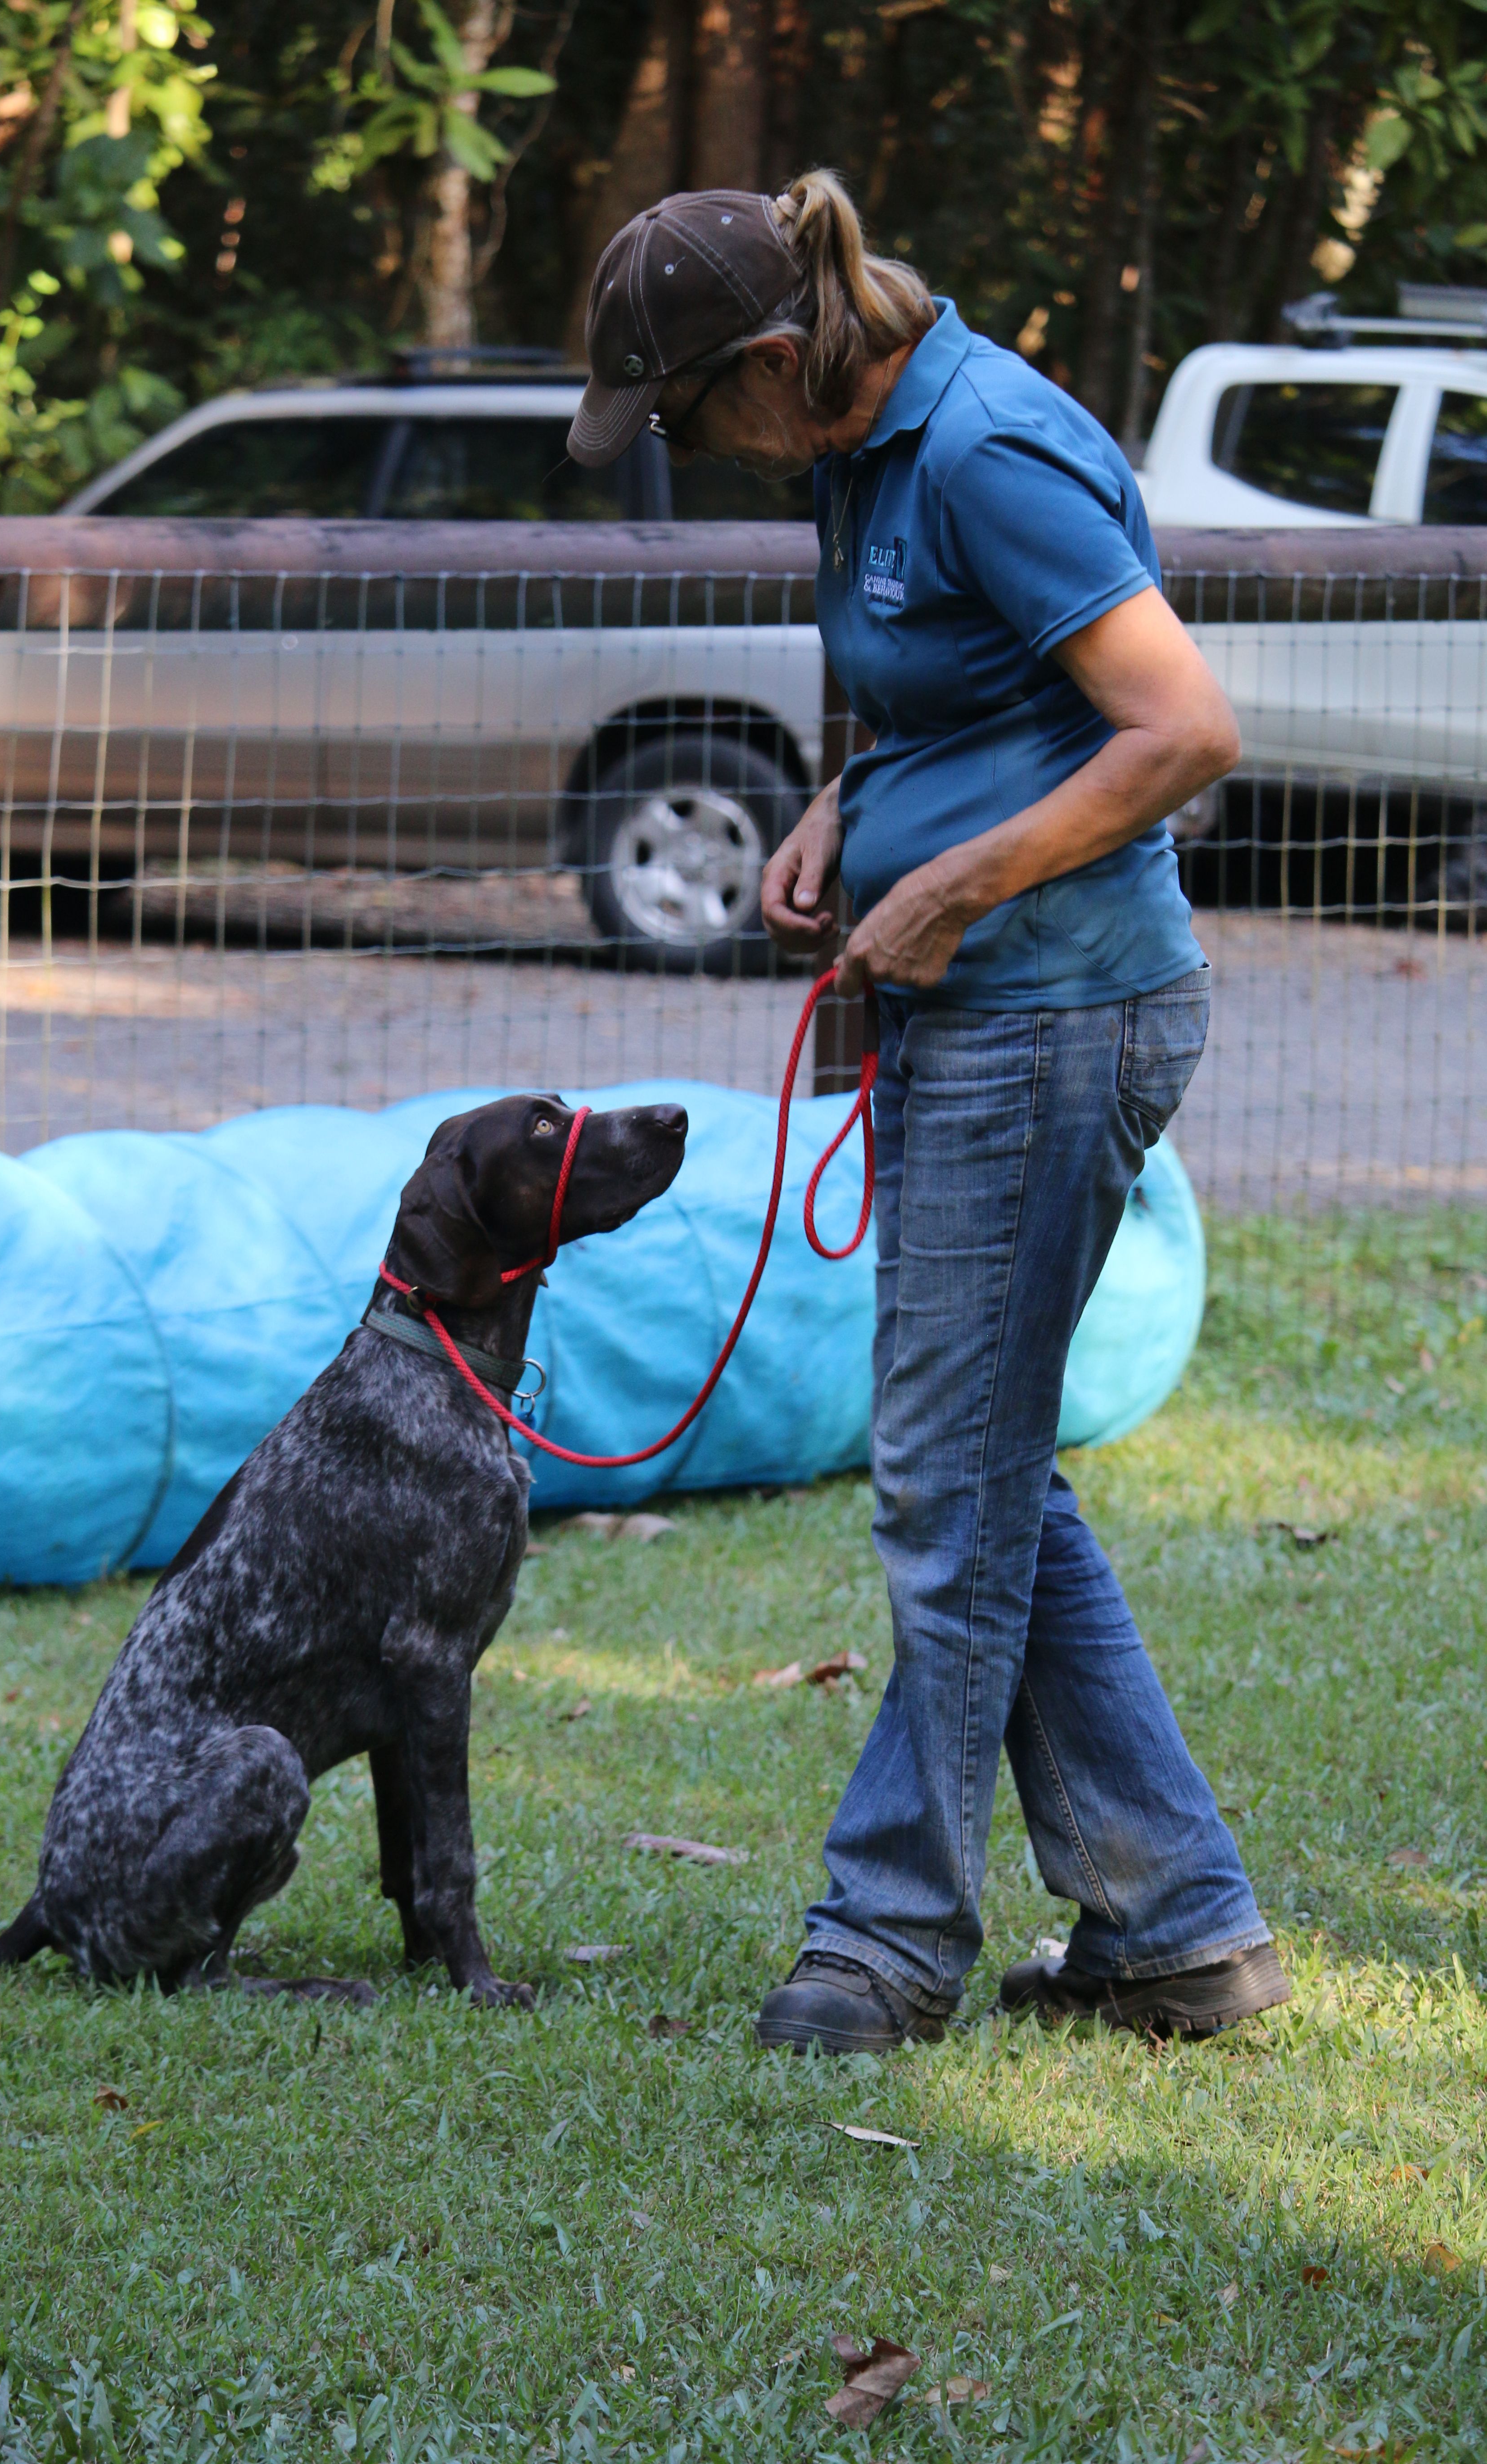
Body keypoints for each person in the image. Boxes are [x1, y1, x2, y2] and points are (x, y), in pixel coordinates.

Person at [567, 172, 1288, 2054]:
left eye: (696, 413)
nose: (704, 455)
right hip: (967, 1016)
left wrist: (953, 887)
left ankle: (884, 1940)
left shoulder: (984, 452)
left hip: (1058, 1015)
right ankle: (1180, 1929)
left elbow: (1184, 728)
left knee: (946, 1494)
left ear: (784, 358)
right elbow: (954, 699)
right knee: (986, 1474)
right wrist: (840, 808)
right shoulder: (856, 448)